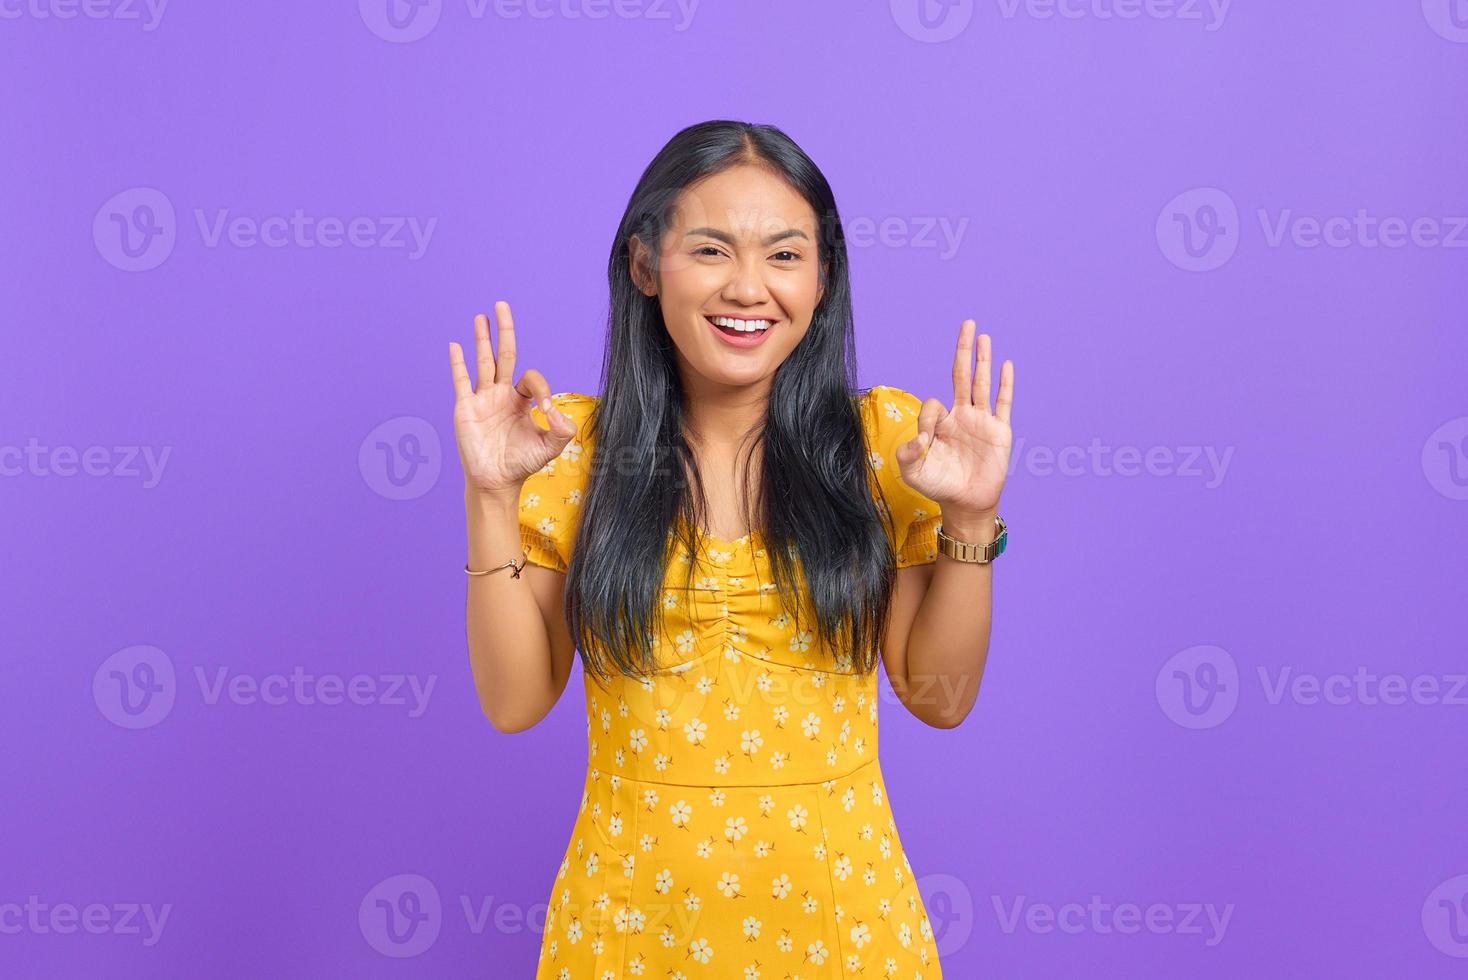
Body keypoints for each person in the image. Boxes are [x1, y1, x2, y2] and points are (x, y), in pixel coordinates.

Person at [448, 120, 1014, 978]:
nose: (749, 288)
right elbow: (515, 700)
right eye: (712, 250)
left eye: (785, 256)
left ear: (823, 279)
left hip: (845, 932)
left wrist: (970, 519)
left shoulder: (881, 446)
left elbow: (940, 699)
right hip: (629, 933)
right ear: (646, 266)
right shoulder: (574, 454)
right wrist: (491, 494)